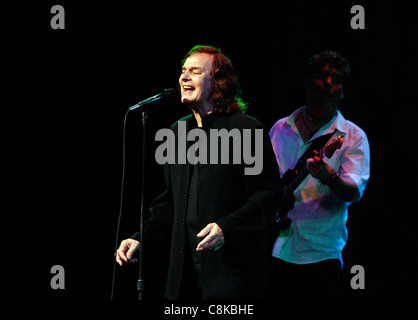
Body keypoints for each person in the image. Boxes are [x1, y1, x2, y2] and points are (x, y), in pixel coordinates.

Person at [116, 45, 282, 300]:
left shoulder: (246, 130)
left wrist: (227, 228)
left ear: (218, 82)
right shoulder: (176, 133)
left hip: (231, 276)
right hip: (183, 278)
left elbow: (267, 197)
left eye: (194, 71)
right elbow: (170, 202)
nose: (184, 77)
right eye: (183, 71)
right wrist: (141, 238)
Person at [268, 50, 370, 299]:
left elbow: (354, 192)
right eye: (322, 76)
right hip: (274, 248)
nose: (328, 84)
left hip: (320, 255)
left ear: (342, 91)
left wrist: (329, 176)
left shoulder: (351, 136)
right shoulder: (280, 128)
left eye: (336, 80)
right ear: (306, 81)